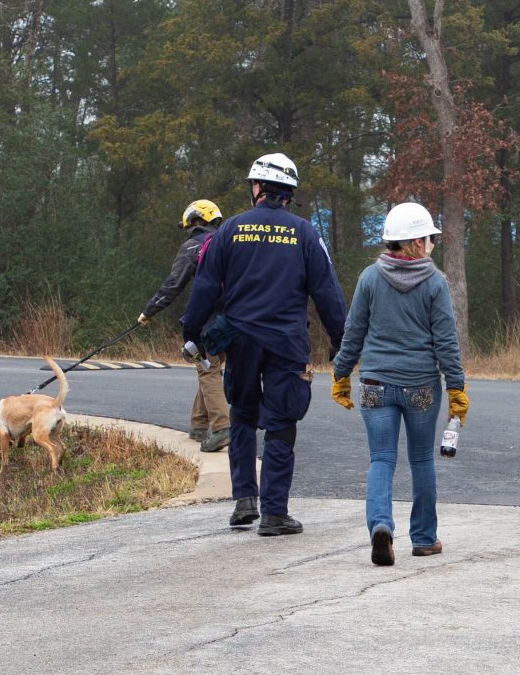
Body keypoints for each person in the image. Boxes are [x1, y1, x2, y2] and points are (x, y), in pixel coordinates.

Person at [178, 152, 347, 537]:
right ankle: (274, 513)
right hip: (286, 342)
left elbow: (205, 286)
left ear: (257, 187)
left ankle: (244, 501)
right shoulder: (305, 234)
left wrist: (191, 332)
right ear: (289, 191)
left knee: (242, 415)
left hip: (241, 341)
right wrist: (342, 340)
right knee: (282, 420)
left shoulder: (230, 230)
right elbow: (327, 292)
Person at [330, 201, 467, 566]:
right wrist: (456, 388)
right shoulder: (436, 284)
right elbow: (446, 342)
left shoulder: (370, 278)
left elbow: (353, 332)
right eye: (429, 238)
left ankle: (381, 526)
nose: (433, 244)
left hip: (375, 384)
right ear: (417, 243)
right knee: (421, 460)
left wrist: (341, 373)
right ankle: (423, 538)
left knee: (381, 459)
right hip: (421, 386)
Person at [137, 199, 231, 453]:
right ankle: (199, 425)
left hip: (211, 318)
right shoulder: (231, 242)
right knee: (212, 367)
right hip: (241, 316)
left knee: (208, 369)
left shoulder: (193, 246)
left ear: (194, 221)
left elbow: (173, 285)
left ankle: (222, 428)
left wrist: (149, 311)